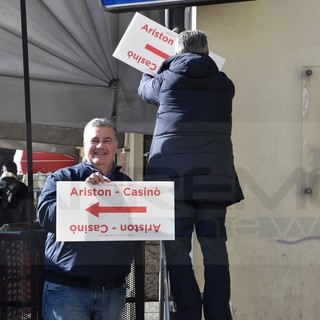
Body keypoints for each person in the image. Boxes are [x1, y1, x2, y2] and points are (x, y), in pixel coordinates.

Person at [138, 30, 244, 320]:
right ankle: (218, 312)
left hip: (173, 182)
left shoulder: (167, 78)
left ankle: (187, 312)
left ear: (177, 51)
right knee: (214, 251)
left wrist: (160, 63)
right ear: (207, 52)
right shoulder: (225, 84)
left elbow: (144, 90)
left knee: (177, 252)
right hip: (214, 180)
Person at [37, 118, 135, 320]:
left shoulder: (127, 184)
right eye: (94, 140)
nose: (100, 145)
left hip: (113, 291)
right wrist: (85, 194)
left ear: (116, 146)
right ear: (84, 146)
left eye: (107, 140)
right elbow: (46, 216)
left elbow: (138, 225)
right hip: (67, 290)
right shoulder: (61, 178)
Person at [0, 160, 29, 227]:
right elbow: (29, 215)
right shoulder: (23, 188)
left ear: (2, 171)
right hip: (17, 233)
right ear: (16, 172)